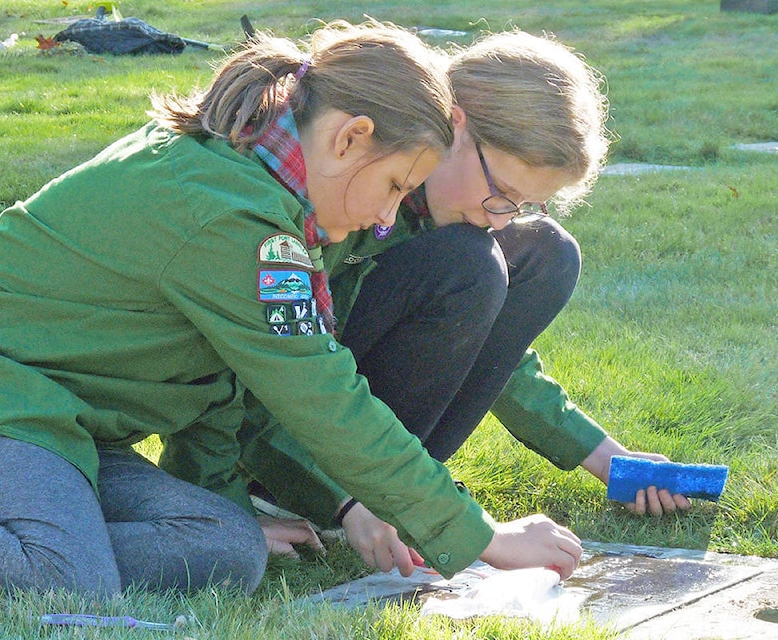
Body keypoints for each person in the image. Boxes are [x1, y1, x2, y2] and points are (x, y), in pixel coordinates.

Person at [0, 21, 583, 600]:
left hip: (61, 432)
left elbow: (216, 384)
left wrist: (228, 494)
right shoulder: (234, 216)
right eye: (393, 186)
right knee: (66, 582)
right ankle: (51, 546)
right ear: (350, 138)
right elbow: (324, 399)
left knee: (228, 549)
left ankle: (42, 534)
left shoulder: (270, 194)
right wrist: (480, 537)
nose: (387, 216)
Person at [236, 31, 692, 573]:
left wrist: (610, 459)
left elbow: (493, 352)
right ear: (454, 123)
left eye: (522, 203)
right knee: (471, 265)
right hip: (283, 424)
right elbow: (274, 366)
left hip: (357, 433)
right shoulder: (349, 185)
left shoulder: (455, 212)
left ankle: (401, 490)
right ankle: (326, 491)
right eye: (501, 191)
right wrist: (349, 498)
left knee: (547, 251)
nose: (501, 217)